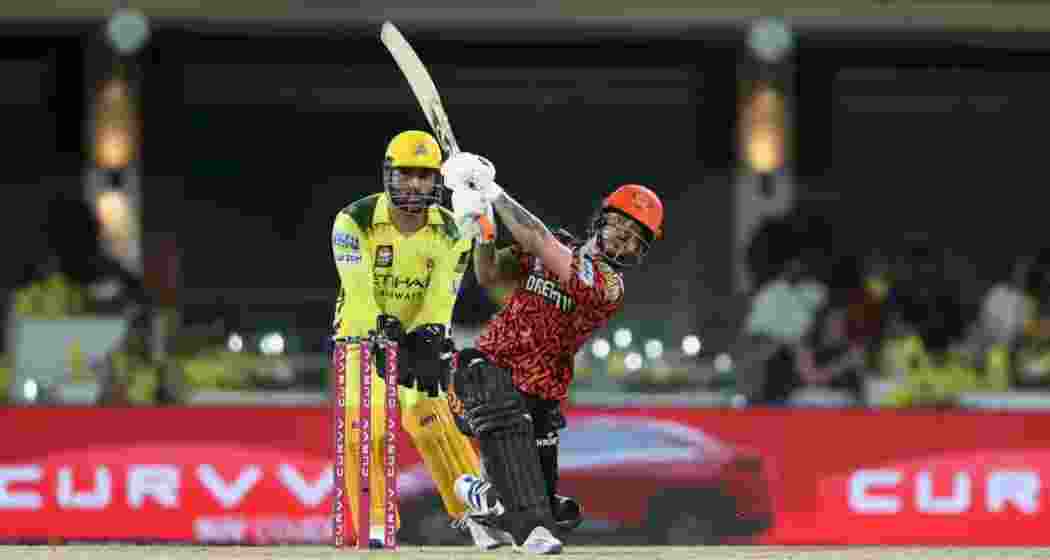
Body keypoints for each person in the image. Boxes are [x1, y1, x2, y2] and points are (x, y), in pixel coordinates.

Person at [441, 152, 664, 554]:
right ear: (602, 218)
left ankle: (481, 500)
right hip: (482, 377)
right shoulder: (558, 244)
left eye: (635, 239)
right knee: (532, 515)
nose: (623, 240)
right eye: (620, 225)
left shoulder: (608, 287)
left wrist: (495, 193)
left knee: (555, 512)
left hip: (539, 398)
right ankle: (520, 522)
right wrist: (483, 229)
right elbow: (490, 275)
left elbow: (536, 239)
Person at [331, 130, 495, 548]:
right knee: (362, 428)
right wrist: (382, 330)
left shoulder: (450, 230)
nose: (414, 184)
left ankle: (476, 511)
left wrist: (429, 335)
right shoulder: (354, 220)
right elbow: (358, 288)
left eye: (424, 176)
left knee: (430, 418)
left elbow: (442, 293)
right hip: (359, 338)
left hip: (415, 335)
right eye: (406, 174)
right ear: (389, 174)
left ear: (436, 181)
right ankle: (375, 525)